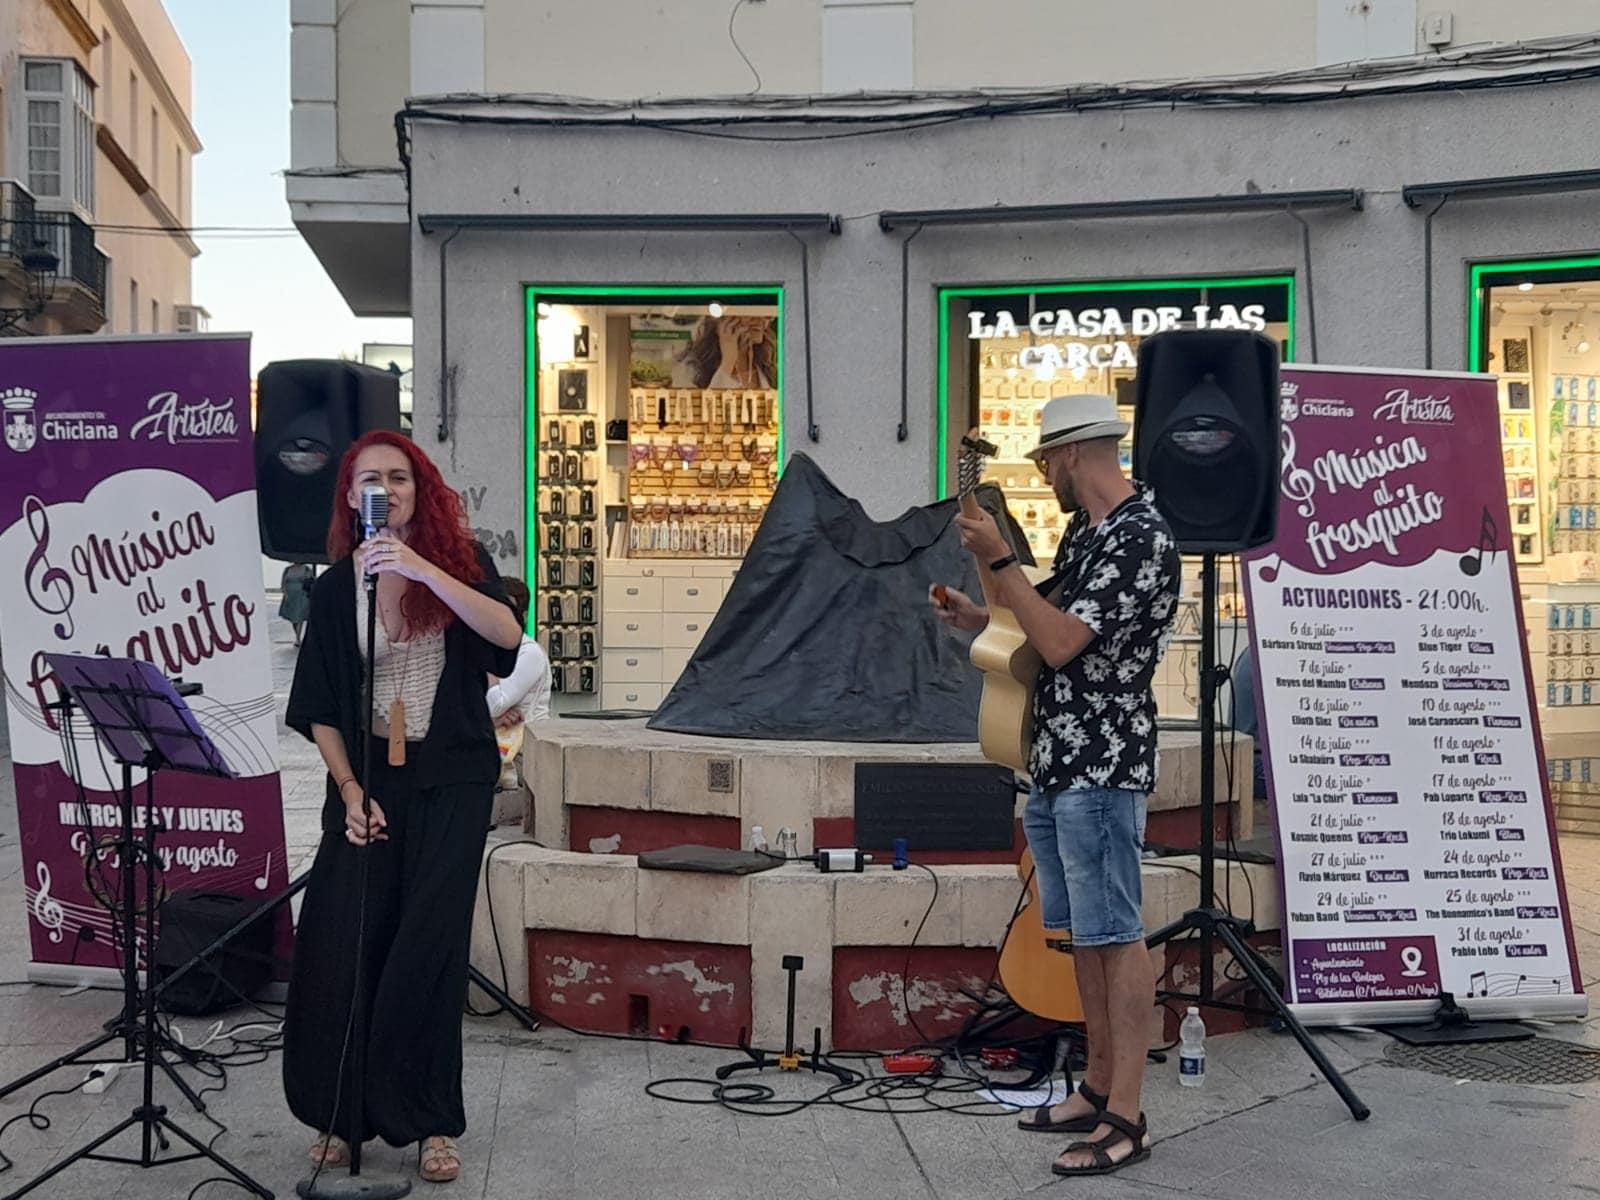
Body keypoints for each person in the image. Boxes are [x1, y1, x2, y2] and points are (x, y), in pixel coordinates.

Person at [930, 393, 1180, 1179]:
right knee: (1081, 934)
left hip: (1103, 759)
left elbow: (1066, 641)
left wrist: (1002, 557)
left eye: (1046, 462)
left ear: (1072, 454)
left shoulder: (1141, 537)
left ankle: (1128, 1117)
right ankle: (1097, 1085)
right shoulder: (1089, 531)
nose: (1045, 476)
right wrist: (983, 606)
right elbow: (1034, 619)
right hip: (1059, 756)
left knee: (1116, 933)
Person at [282, 429, 521, 1185]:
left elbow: (507, 636)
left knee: (426, 953)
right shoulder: (331, 587)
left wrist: (423, 568)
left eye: (399, 477)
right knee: (343, 946)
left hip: (448, 779)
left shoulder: (456, 567)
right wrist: (349, 792)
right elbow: (320, 703)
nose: (384, 489)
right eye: (368, 480)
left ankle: (427, 1124)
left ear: (420, 490)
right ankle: (343, 1117)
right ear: (350, 496)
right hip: (367, 784)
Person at [486, 577, 551, 791]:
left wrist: (484, 662)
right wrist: (493, 721)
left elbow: (497, 704)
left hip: (520, 756)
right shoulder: (493, 646)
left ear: (522, 616)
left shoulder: (529, 652)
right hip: (494, 743)